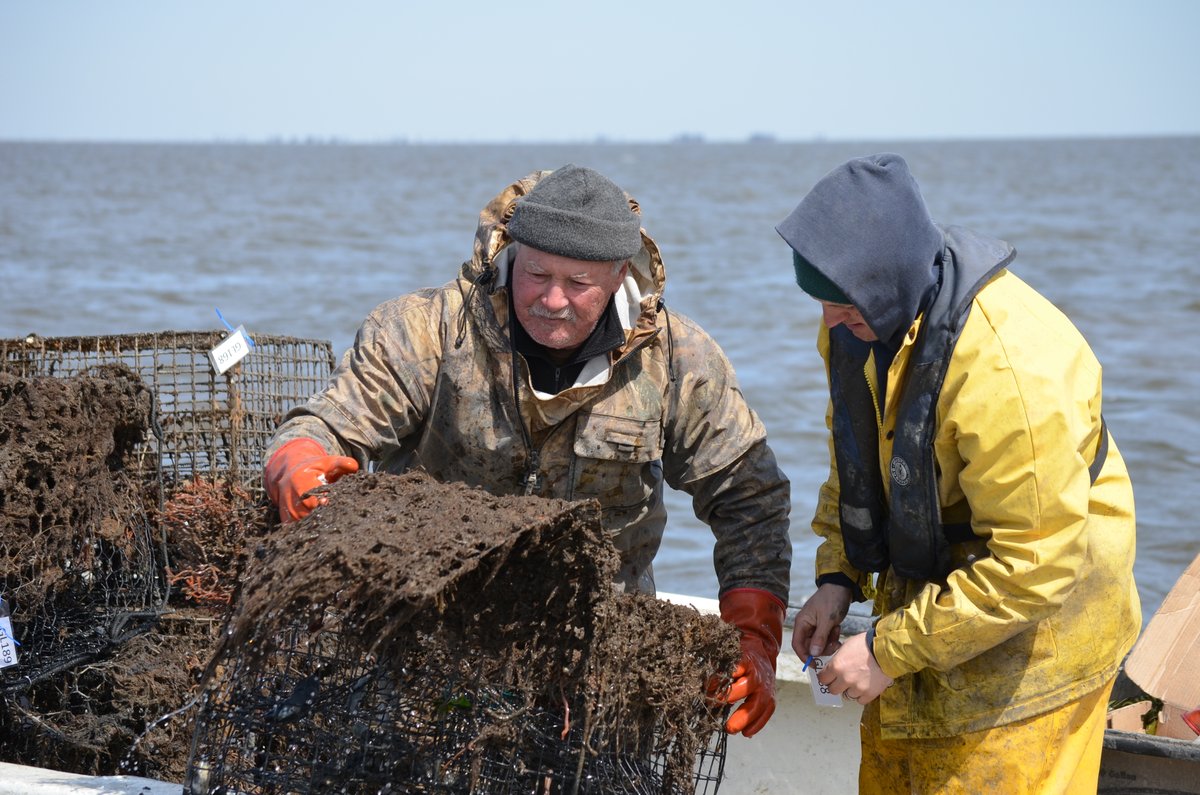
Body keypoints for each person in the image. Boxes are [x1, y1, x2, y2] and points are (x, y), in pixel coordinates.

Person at [263, 164, 792, 738]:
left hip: (596, 664)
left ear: (618, 276)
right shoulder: (428, 330)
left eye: (579, 283)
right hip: (426, 645)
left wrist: (756, 638)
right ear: (512, 254)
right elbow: (326, 423)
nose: (553, 299)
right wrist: (300, 463)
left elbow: (749, 498)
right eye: (536, 273)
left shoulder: (678, 361)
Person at [778, 153, 1140, 792]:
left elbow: (1036, 565)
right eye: (824, 302)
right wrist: (838, 575)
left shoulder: (1009, 368)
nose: (832, 319)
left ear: (889, 279)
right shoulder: (860, 315)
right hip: (936, 598)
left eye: (845, 304)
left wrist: (887, 653)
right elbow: (858, 459)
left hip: (1042, 638)